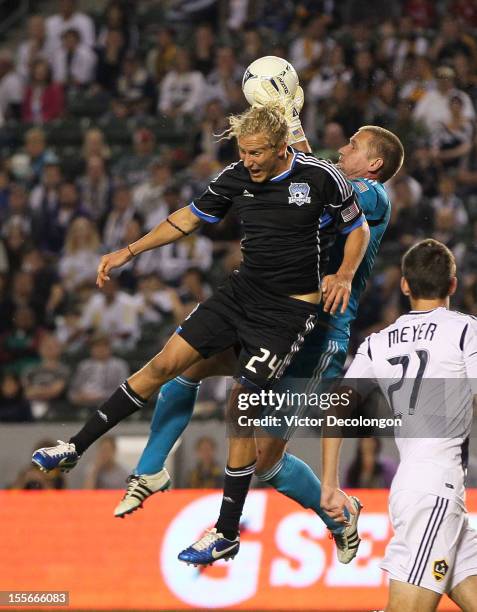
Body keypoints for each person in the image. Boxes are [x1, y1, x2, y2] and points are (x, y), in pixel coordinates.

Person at [32, 101, 369, 560]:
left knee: (241, 404)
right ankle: (74, 447)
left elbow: (359, 228)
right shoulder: (235, 176)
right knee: (167, 364)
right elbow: (188, 218)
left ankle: (226, 530)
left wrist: (345, 273)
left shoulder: (320, 178)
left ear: (281, 146)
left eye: (255, 153)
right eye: (242, 151)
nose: (247, 160)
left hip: (287, 313)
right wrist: (128, 252)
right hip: (239, 295)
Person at [112, 121, 403, 569]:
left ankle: (338, 515)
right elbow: (304, 174)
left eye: (354, 145)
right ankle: (150, 470)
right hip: (271, 318)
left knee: (266, 460)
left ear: (375, 163)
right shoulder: (325, 180)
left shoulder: (374, 195)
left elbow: (319, 177)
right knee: (183, 365)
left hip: (319, 336)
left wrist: (292, 127)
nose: (344, 149)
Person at [321, 239, 477, 612]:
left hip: (420, 487)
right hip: (435, 488)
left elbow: (335, 407)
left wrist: (329, 483)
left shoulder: (377, 342)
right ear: (453, 285)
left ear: (405, 285)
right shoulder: (465, 331)